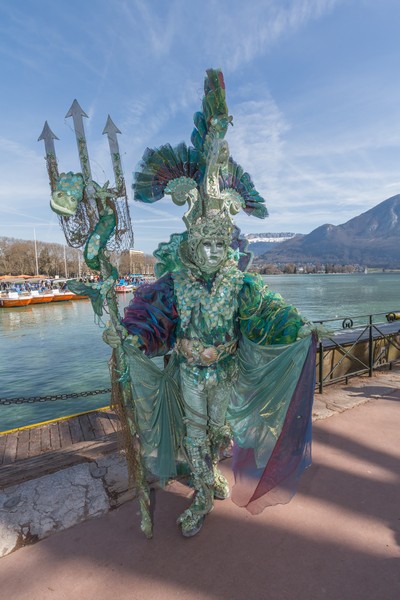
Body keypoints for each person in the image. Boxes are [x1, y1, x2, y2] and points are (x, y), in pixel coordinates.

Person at [104, 69, 317, 537]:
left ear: (226, 247)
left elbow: (269, 313)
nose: (213, 253)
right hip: (187, 371)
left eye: (220, 247)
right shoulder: (175, 282)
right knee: (197, 432)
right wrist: (130, 337)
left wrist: (298, 330)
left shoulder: (241, 283)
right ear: (192, 245)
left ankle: (209, 471)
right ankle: (202, 493)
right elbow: (151, 319)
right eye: (205, 246)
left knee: (220, 431)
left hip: (227, 369)